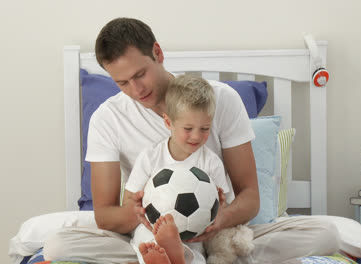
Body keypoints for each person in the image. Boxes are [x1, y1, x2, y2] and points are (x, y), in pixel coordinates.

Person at [44, 17, 340, 264]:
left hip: (218, 230)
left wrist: (217, 220)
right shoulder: (107, 119)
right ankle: (164, 253)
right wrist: (143, 215)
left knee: (327, 233)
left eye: (140, 74)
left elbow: (249, 196)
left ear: (158, 53)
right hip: (148, 229)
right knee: (57, 246)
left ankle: (172, 257)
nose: (135, 90)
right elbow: (106, 216)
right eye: (121, 83)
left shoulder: (220, 99)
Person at [125, 75, 230, 264]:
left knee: (197, 254)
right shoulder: (150, 158)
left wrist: (219, 210)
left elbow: (222, 207)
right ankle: (169, 254)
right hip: (152, 226)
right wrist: (138, 207)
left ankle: (176, 255)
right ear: (168, 123)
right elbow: (130, 200)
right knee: (146, 243)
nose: (196, 136)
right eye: (188, 128)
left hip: (194, 230)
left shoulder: (211, 163)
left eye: (205, 128)